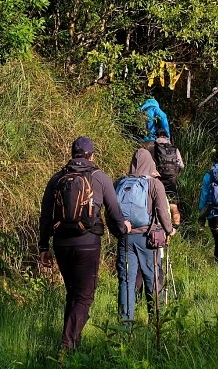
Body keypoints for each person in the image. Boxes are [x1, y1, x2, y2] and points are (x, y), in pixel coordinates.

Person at [39, 137, 131, 351]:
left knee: (73, 293)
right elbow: (114, 211)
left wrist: (43, 247)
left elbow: (45, 216)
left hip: (61, 244)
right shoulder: (100, 177)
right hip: (87, 243)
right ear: (92, 155)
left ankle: (73, 347)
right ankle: (66, 344)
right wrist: (123, 228)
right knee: (84, 296)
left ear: (72, 154)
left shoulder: (57, 178)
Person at [115, 148, 176, 322]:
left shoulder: (120, 183)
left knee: (126, 281)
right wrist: (170, 230)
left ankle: (125, 325)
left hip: (125, 238)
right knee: (152, 278)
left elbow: (110, 212)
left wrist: (118, 231)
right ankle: (156, 322)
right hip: (147, 239)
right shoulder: (154, 184)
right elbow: (163, 213)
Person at [146, 128, 184, 201]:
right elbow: (181, 165)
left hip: (157, 180)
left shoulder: (151, 147)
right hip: (171, 180)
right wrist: (175, 174)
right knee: (173, 204)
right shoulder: (174, 148)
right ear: (167, 136)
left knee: (157, 203)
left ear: (156, 136)